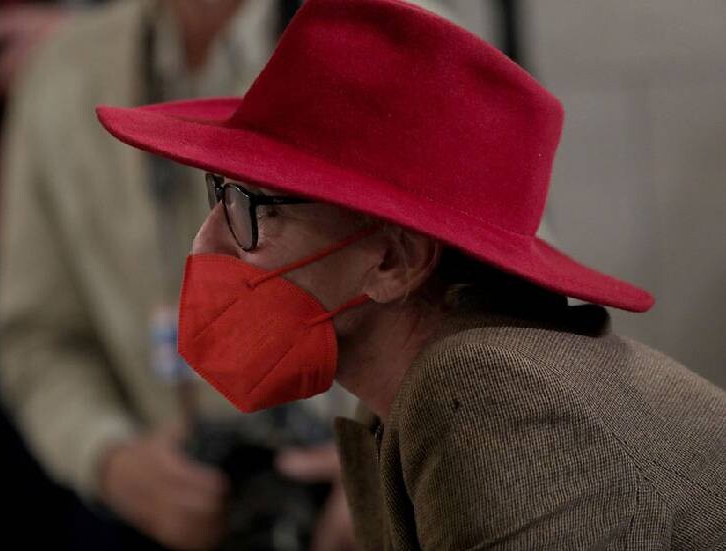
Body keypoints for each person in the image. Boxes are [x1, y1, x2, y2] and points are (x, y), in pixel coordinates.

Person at [95, 0, 726, 548]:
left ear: (394, 262)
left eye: (254, 208)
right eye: (220, 193)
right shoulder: (410, 398)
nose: (208, 241)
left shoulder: (485, 395)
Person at [0, 1, 362, 549]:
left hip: (364, 508)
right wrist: (111, 459)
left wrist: (381, 463)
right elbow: (38, 338)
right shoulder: (62, 74)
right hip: (166, 516)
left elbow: (467, 309)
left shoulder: (394, 36)